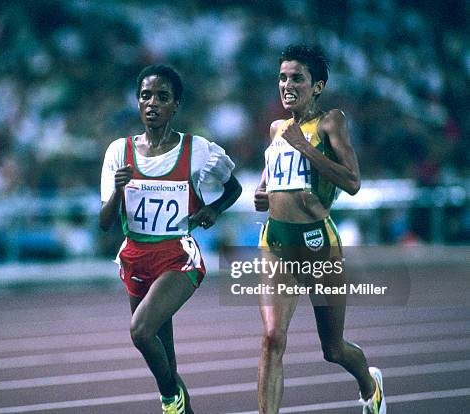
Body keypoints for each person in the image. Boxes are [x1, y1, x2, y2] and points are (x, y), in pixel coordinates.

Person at [100, 64, 242, 414]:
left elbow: (234, 188)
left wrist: (214, 210)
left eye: (162, 97)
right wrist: (118, 192)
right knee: (167, 362)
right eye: (146, 96)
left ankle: (169, 399)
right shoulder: (119, 151)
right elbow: (105, 223)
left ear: (175, 105)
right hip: (135, 258)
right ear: (137, 102)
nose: (152, 103)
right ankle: (178, 401)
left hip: (177, 257)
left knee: (141, 331)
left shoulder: (197, 150)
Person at [254, 45, 385, 414]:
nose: (287, 84)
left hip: (317, 245)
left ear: (317, 86)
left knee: (333, 348)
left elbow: (353, 181)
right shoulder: (276, 128)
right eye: (282, 77)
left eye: (297, 78)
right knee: (272, 338)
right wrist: (263, 190)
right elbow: (274, 171)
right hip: (276, 242)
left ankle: (369, 384)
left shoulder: (331, 122)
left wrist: (307, 149)